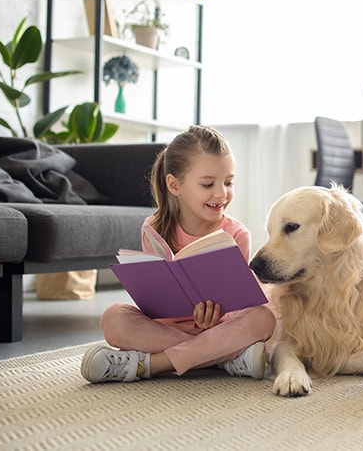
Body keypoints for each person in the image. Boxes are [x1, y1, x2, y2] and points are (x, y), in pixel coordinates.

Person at [80, 125, 275, 384]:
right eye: (208, 184)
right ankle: (225, 359)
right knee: (113, 318)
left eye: (229, 182)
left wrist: (216, 319)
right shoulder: (153, 228)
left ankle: (149, 365)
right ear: (174, 185)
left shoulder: (237, 234)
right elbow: (152, 298)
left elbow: (238, 306)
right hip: (168, 329)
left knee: (262, 319)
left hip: (218, 328)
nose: (221, 193)